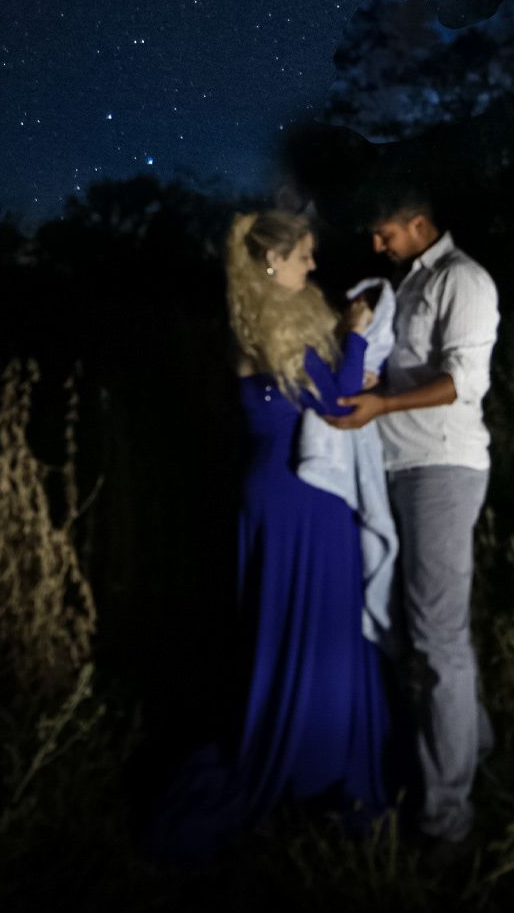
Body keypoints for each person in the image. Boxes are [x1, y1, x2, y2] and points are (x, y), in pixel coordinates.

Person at [144, 210, 397, 861]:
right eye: (304, 255)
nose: (313, 265)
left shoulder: (274, 321)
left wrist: (351, 363)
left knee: (322, 622)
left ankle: (321, 754)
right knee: (294, 623)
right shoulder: (268, 326)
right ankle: (296, 761)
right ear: (270, 262)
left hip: (295, 494)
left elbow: (325, 389)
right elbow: (335, 405)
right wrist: (360, 333)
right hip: (292, 497)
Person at [323, 184, 499, 857]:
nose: (376, 245)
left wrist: (384, 408)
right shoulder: (408, 283)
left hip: (442, 468)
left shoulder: (464, 280)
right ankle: (474, 744)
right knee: (416, 627)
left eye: (384, 233)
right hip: (399, 466)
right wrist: (378, 390)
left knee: (437, 637)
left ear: (419, 223)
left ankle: (447, 821)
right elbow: (411, 376)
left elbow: (463, 382)